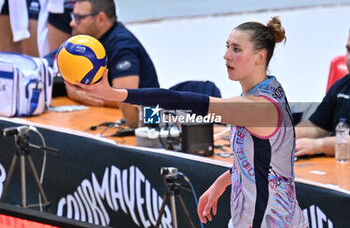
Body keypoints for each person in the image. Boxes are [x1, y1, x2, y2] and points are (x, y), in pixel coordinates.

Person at [66, 16, 307, 227]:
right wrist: (223, 182)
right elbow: (266, 160)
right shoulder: (267, 88)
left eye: (236, 49)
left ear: (260, 57)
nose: (226, 55)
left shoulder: (257, 108)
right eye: (227, 47)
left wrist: (118, 94)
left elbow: (180, 99)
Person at [62, 0, 159, 128]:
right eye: (73, 17)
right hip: (122, 118)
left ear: (101, 19)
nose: (72, 23)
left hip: (149, 125)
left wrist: (80, 93)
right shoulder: (91, 43)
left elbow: (126, 100)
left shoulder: (122, 45)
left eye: (79, 18)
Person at [295, 33, 350, 157]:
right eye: (348, 50)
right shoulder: (341, 86)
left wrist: (318, 145)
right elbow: (316, 126)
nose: (348, 58)